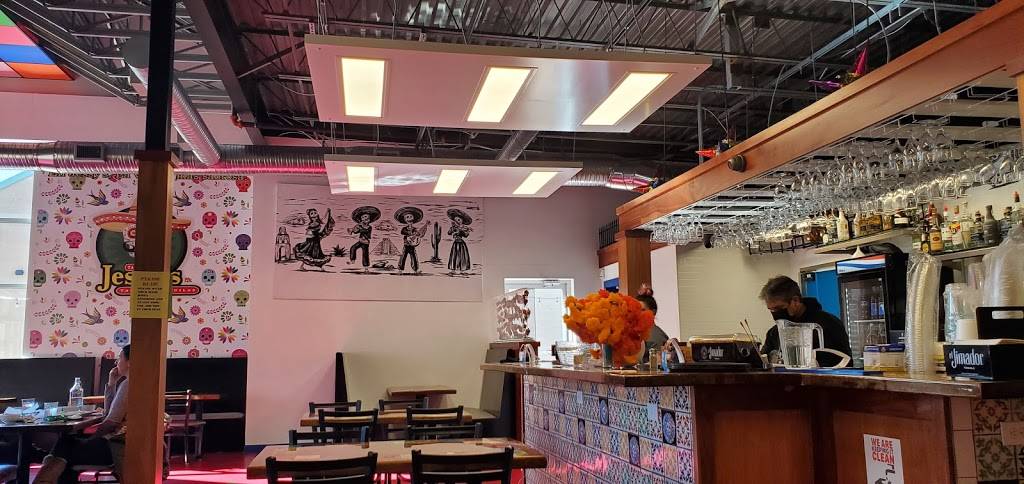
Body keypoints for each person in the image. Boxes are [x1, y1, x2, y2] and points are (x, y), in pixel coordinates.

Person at [34, 345, 131, 484]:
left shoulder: (128, 385)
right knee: (64, 451)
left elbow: (111, 423)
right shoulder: (137, 383)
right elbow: (109, 414)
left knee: (64, 445)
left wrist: (92, 438)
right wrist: (111, 384)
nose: (116, 362)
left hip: (114, 448)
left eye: (120, 358)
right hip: (122, 445)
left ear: (130, 362)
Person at [759, 275, 851, 367]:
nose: (775, 313)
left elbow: (847, 363)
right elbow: (762, 363)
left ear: (795, 300)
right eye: (771, 310)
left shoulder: (830, 324)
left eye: (779, 308)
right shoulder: (774, 332)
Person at [635, 285, 669, 364]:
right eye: (636, 310)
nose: (638, 314)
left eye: (642, 310)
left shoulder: (656, 335)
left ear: (653, 312)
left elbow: (658, 362)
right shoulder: (635, 333)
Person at [347, 206, 380, 271]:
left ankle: (366, 267)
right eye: (362, 217)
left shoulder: (369, 227)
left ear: (369, 219)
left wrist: (359, 226)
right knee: (353, 248)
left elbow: (364, 230)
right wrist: (354, 229)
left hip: (365, 242)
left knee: (365, 254)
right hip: (361, 241)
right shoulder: (361, 225)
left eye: (365, 217)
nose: (364, 219)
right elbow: (356, 232)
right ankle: (352, 260)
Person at [446, 209, 473, 274]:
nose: (457, 222)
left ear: (462, 220)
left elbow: (466, 235)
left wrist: (462, 230)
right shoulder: (454, 227)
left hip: (461, 243)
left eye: (458, 220)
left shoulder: (464, 228)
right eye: (455, 220)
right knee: (454, 256)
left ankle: (462, 270)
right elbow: (449, 233)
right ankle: (453, 269)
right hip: (455, 243)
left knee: (462, 256)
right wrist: (452, 228)